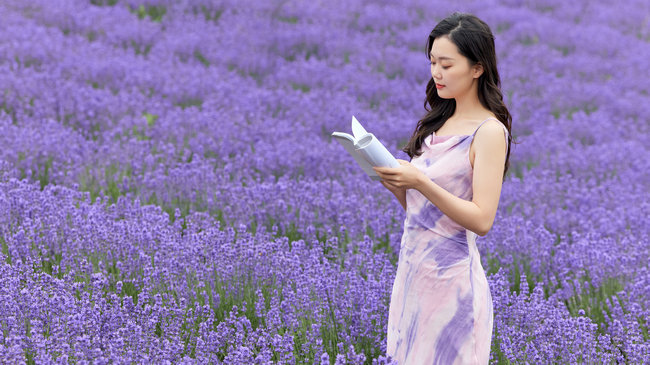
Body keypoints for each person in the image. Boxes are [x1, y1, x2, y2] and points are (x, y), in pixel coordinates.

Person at [373, 12, 514, 365]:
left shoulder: (489, 132)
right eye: (433, 62)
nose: (437, 73)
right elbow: (427, 216)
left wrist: (420, 180)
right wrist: (398, 186)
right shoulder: (439, 121)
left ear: (477, 68)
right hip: (413, 276)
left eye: (447, 64)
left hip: (453, 289)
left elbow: (482, 220)